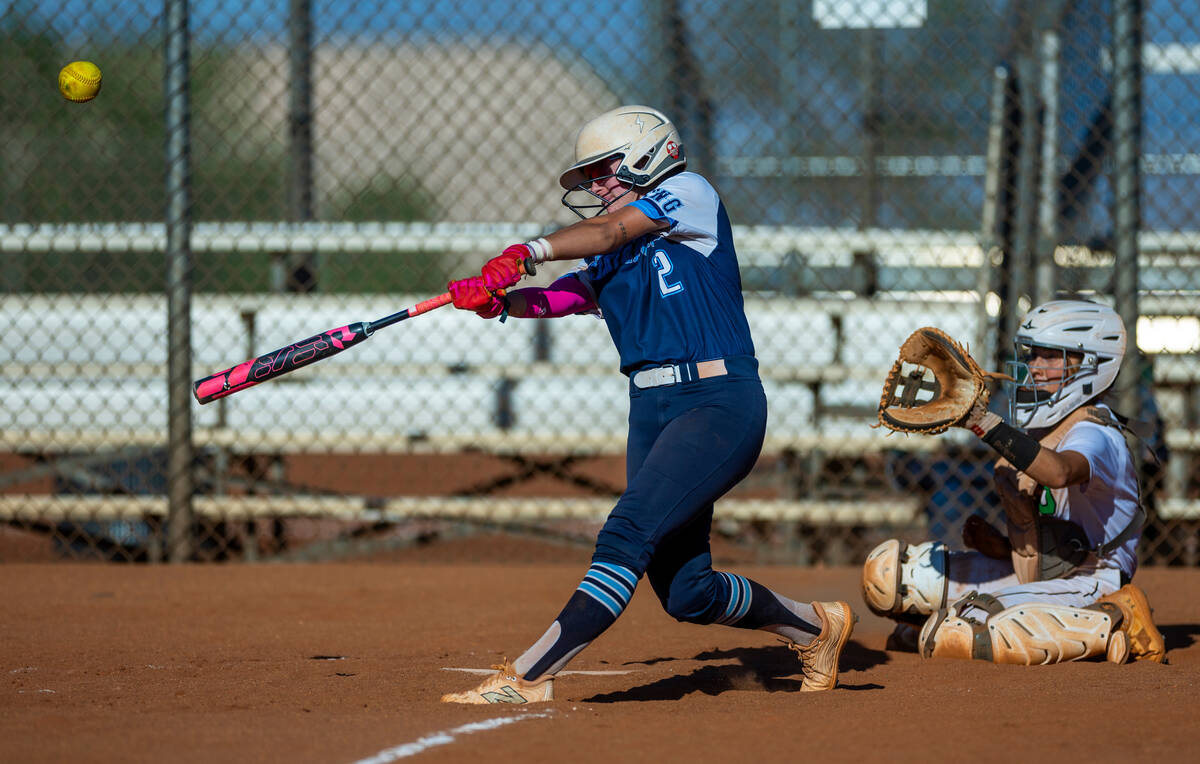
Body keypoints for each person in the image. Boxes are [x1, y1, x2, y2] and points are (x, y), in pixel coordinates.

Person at [439, 105, 856, 703]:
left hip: (716, 402)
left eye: (604, 170)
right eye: (591, 176)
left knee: (626, 533)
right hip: (652, 410)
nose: (595, 185)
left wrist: (525, 252)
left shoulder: (687, 193)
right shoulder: (609, 248)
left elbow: (609, 232)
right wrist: (500, 302)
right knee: (687, 592)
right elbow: (566, 296)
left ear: (646, 156)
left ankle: (529, 678)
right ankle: (817, 628)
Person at [861, 299, 1167, 665]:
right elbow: (1061, 536)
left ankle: (1117, 618)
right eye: (1032, 355)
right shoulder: (1054, 426)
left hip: (1094, 579)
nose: (1034, 368)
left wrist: (983, 423)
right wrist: (1004, 547)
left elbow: (1060, 472)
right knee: (890, 578)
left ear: (1092, 366)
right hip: (1052, 569)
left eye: (1051, 357)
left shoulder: (1095, 433)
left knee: (960, 631)